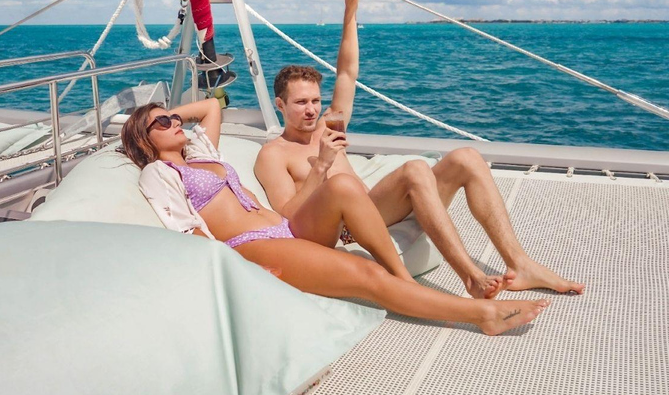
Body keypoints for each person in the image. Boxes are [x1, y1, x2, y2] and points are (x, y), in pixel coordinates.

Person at [254, 0, 585, 299]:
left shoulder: (328, 123)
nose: (310, 110)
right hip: (345, 228)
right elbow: (288, 217)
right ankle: (470, 277)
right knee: (414, 169)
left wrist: (350, 9)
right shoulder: (273, 154)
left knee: (467, 157)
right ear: (280, 105)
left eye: (314, 100)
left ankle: (520, 264)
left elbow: (347, 72)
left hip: (374, 207)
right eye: (300, 103)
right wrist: (322, 165)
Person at [121, 98, 551, 336]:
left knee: (342, 186)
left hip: (286, 228)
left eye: (175, 116)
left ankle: (402, 278)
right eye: (163, 122)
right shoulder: (159, 172)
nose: (176, 120)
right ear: (144, 138)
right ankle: (481, 316)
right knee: (368, 279)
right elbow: (189, 231)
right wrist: (238, 271)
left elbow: (212, 107)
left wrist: (163, 112)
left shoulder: (200, 153)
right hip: (251, 246)